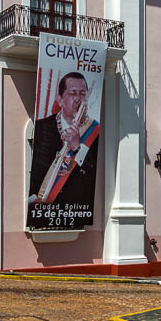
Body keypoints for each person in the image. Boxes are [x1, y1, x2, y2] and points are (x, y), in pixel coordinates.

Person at [28, 72, 99, 219]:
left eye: (82, 94)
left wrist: (77, 147)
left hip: (74, 214)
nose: (78, 99)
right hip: (40, 212)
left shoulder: (95, 131)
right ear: (59, 99)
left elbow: (93, 174)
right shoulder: (41, 128)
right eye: (73, 93)